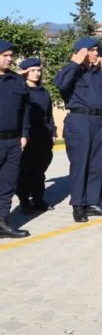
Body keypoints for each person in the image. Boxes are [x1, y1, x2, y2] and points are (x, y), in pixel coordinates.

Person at [54, 37, 102, 222]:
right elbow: (60, 84)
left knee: (96, 164)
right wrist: (75, 62)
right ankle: (78, 205)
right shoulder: (71, 71)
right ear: (83, 51)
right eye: (93, 49)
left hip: (99, 120)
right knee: (80, 164)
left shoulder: (101, 75)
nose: (97, 53)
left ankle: (91, 202)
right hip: (79, 119)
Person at [16, 58, 56, 214]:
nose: (36, 73)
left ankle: (38, 199)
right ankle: (24, 201)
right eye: (32, 70)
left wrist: (52, 132)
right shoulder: (20, 90)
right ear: (25, 72)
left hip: (42, 135)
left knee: (40, 169)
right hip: (27, 134)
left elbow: (49, 115)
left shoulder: (43, 91)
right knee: (25, 169)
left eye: (38, 70)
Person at [0, 40, 31, 238]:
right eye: (5, 55)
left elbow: (25, 110)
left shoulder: (17, 81)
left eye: (11, 55)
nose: (10, 59)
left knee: (7, 184)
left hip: (13, 141)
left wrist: (24, 133)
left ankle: (2, 223)